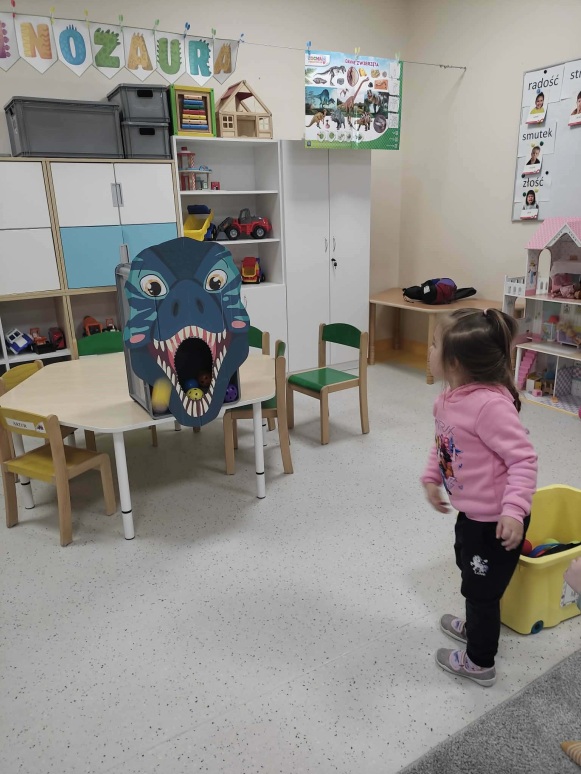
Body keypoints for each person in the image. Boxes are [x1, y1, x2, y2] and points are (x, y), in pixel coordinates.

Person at [422, 308, 537, 687]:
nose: (428, 349)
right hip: (472, 513)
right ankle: (476, 625)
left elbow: (523, 459)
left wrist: (514, 512)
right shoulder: (449, 399)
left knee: (481, 591)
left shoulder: (490, 407)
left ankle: (479, 662)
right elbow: (444, 443)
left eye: (434, 344)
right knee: (470, 571)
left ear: (455, 362)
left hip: (497, 521)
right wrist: (432, 476)